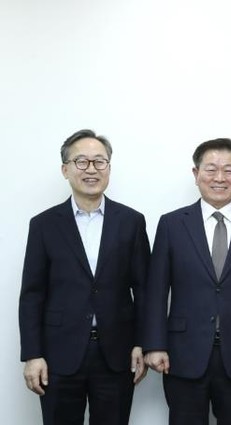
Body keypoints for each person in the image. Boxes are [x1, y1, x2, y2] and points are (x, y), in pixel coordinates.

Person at [143, 138, 231, 425]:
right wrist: (154, 344)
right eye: (210, 169)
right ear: (196, 174)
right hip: (183, 354)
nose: (219, 178)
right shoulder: (172, 224)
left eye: (228, 170)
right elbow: (156, 291)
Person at [18, 129, 150, 425]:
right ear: (65, 169)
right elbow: (32, 294)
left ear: (109, 168)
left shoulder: (131, 222)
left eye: (99, 161)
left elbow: (143, 289)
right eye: (81, 161)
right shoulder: (43, 225)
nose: (91, 169)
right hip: (58, 355)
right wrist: (33, 354)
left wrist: (142, 343)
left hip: (116, 354)